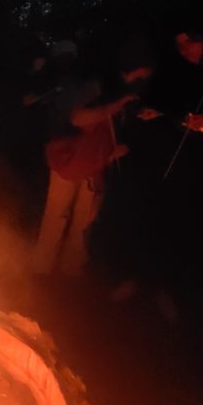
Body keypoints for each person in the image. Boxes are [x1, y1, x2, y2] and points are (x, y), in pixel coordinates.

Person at [29, 40, 134, 276]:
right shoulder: (92, 86)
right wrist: (113, 107)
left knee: (83, 221)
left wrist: (115, 149)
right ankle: (41, 269)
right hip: (69, 157)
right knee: (57, 214)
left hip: (93, 163)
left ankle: (70, 271)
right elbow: (77, 118)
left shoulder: (121, 92)